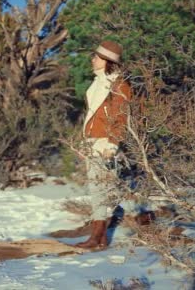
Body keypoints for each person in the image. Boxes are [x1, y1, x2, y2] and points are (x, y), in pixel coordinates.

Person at [75, 40, 132, 249]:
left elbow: (121, 116)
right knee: (96, 189)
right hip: (93, 141)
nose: (92, 60)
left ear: (107, 61)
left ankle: (98, 236)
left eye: (96, 57)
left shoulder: (119, 85)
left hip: (105, 142)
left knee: (102, 189)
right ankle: (99, 237)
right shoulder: (97, 83)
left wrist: (112, 144)